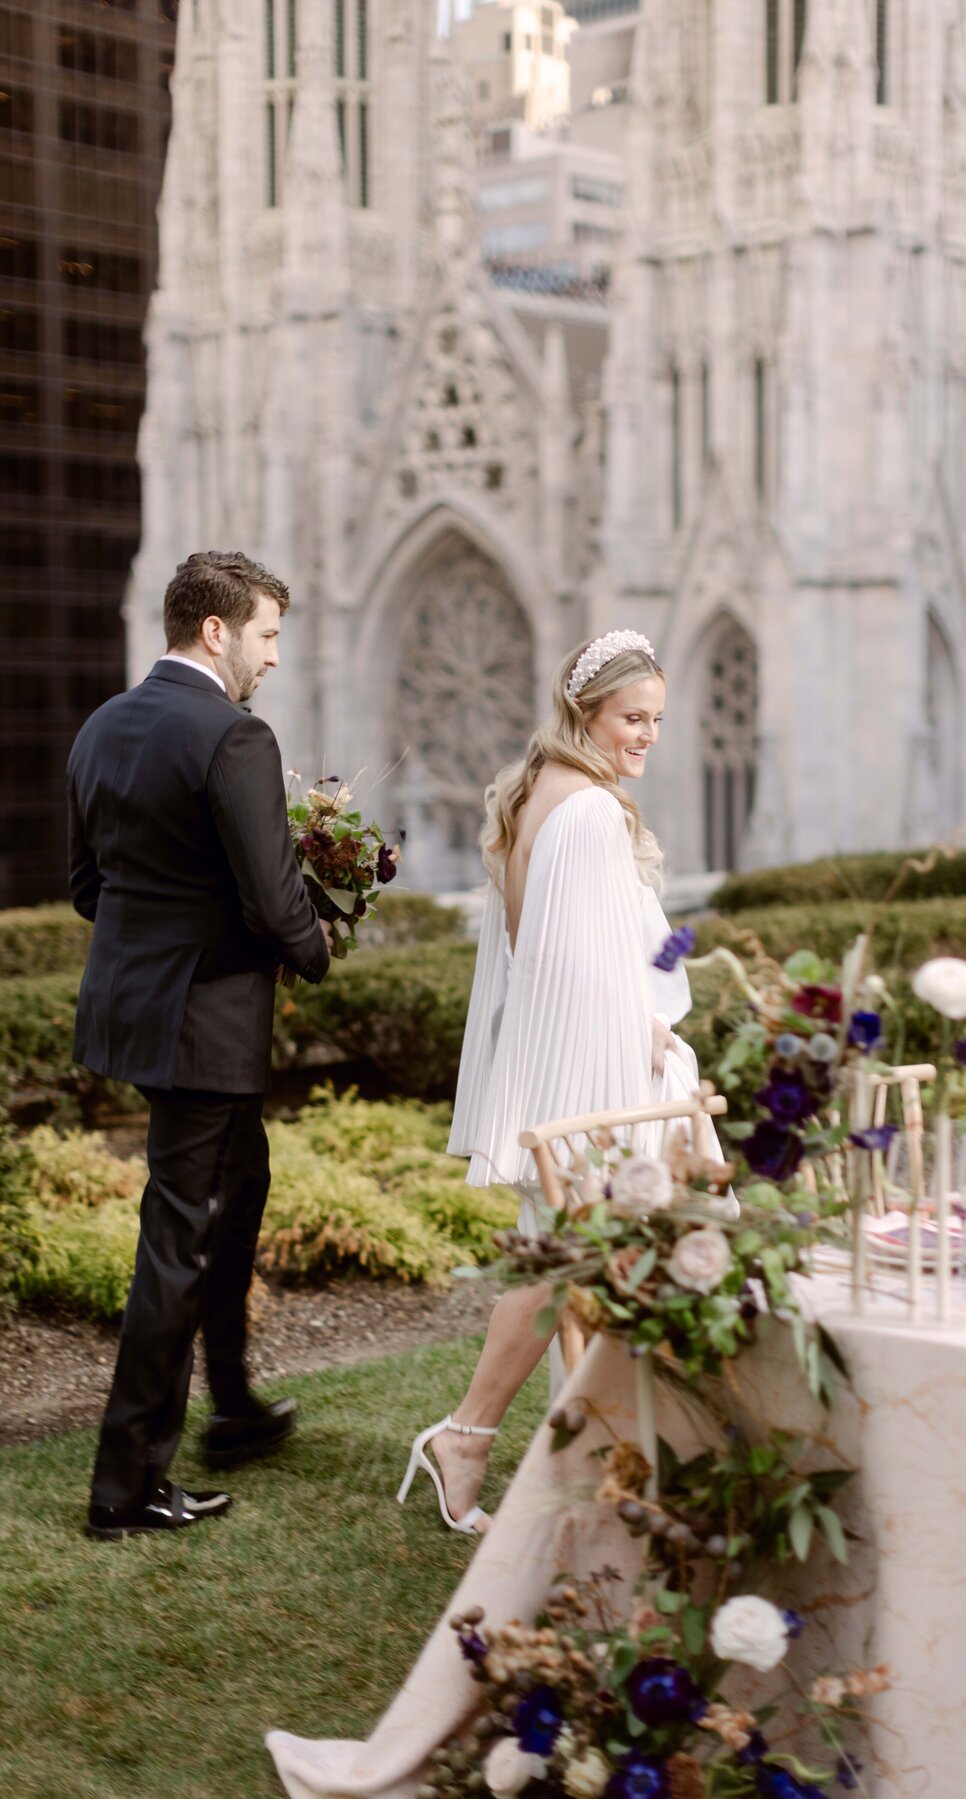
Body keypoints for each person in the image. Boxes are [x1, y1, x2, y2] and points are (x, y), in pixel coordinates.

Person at [396, 629, 718, 1535]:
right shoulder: (586, 815)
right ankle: (583, 1452)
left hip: (581, 1065)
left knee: (570, 1271)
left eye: (656, 718)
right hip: (595, 1078)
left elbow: (598, 949)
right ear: (587, 712)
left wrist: (662, 985)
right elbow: (574, 975)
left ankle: (560, 1450)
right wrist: (627, 1090)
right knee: (592, 1267)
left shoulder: (540, 791)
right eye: (631, 717)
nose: (647, 734)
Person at [69, 551, 331, 1541]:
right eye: (266, 633)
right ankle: (125, 1486)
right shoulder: (235, 737)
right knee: (175, 1245)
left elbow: (89, 887)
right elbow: (273, 901)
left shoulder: (100, 725)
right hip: (206, 1025)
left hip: (134, 1012)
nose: (272, 655)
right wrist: (317, 945)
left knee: (236, 1194)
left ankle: (234, 1406)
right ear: (216, 630)